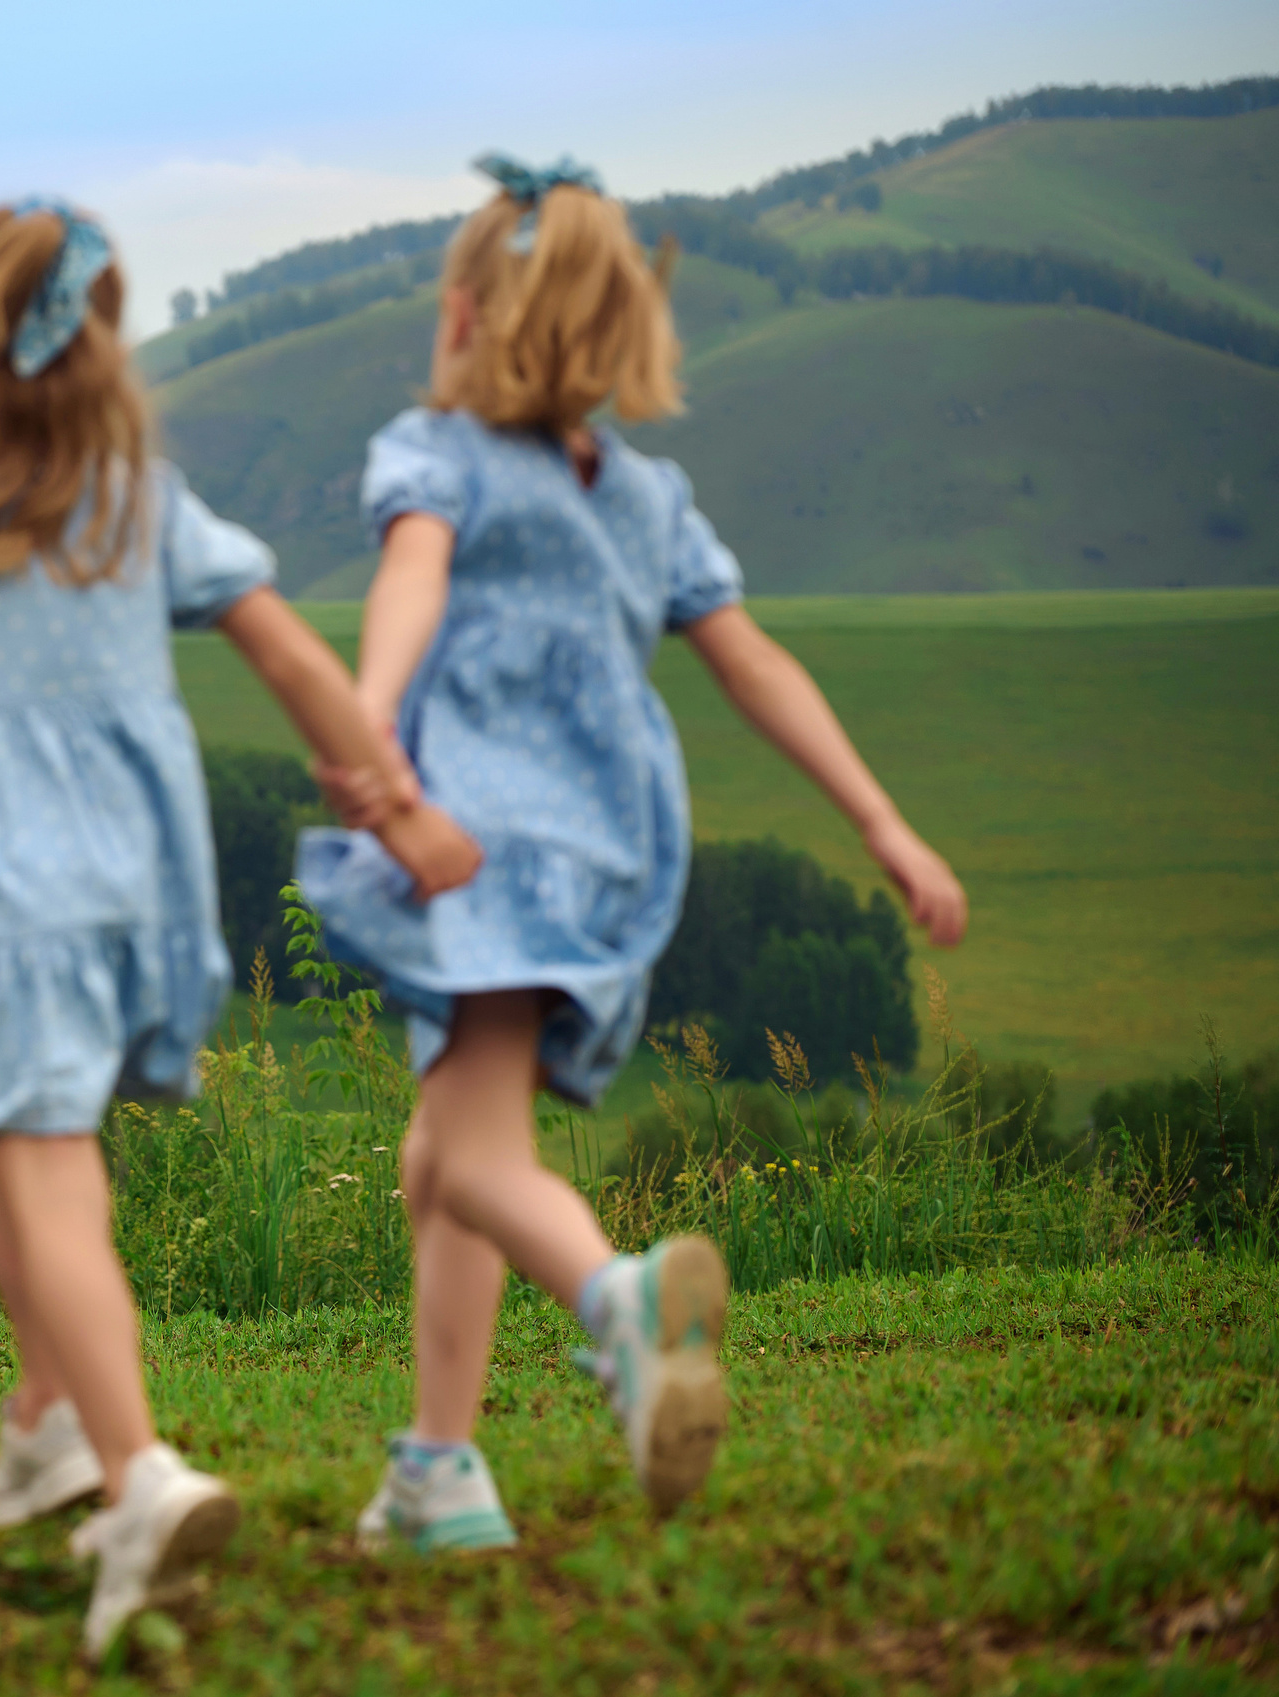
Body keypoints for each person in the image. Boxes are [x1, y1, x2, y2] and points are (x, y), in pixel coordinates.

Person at [0, 199, 476, 1660]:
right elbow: (290, 652)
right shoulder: (139, 502)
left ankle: (135, 1475)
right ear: (102, 346)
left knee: (41, 1165)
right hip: (128, 889)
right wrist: (393, 804)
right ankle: (42, 1419)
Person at [294, 154, 970, 1552]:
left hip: (472, 841)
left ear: (474, 318)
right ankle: (438, 1470)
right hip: (603, 855)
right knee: (449, 1149)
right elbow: (753, 664)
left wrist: (368, 727)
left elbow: (409, 581)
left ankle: (619, 1302)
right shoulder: (648, 498)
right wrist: (880, 820)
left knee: (476, 1162)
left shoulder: (441, 456)